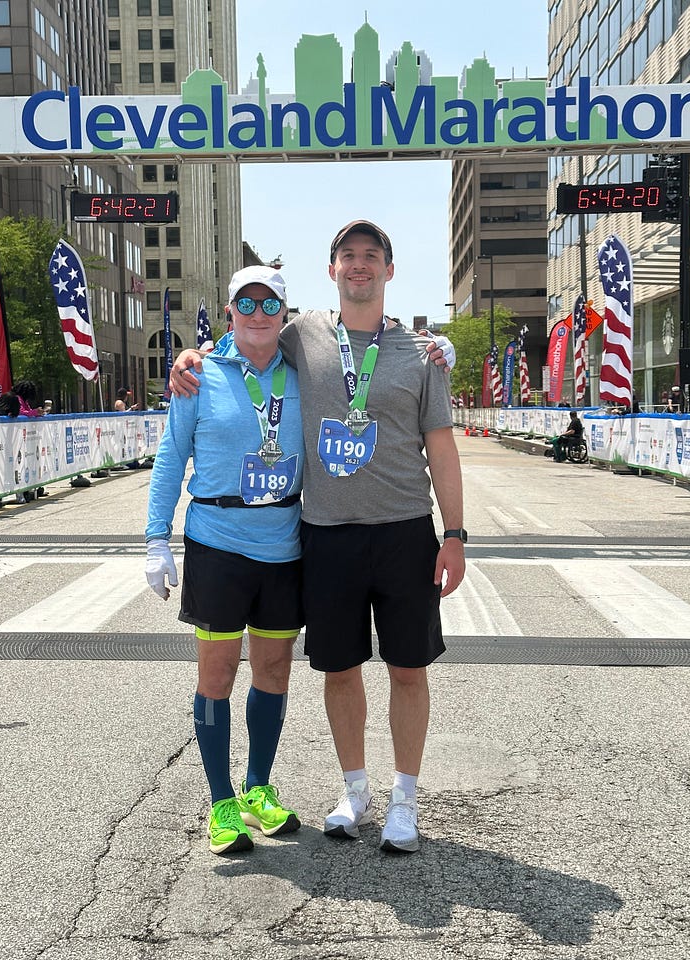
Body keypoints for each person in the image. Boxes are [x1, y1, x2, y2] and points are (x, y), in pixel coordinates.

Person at [169, 220, 465, 854]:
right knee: (340, 668)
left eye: (371, 256)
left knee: (407, 670)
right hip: (325, 536)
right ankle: (354, 791)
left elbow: (442, 448)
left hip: (405, 530)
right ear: (331, 271)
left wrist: (455, 533)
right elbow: (242, 345)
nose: (360, 266)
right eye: (348, 256)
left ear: (390, 269)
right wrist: (190, 358)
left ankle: (405, 801)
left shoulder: (419, 352)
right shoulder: (305, 334)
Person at [145, 265, 305, 856]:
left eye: (270, 304)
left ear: (284, 314)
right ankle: (221, 803)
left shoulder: (307, 375)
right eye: (247, 302)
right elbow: (170, 455)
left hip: (284, 544)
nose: (258, 313)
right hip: (217, 542)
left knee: (273, 673)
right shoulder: (199, 375)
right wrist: (155, 538)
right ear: (230, 309)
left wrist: (433, 348)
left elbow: (367, 348)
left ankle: (258, 786)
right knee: (216, 677)